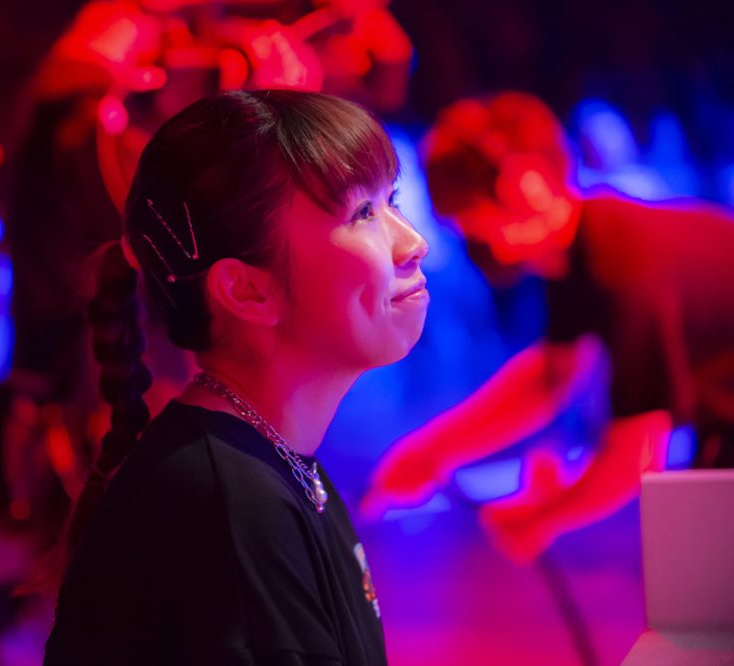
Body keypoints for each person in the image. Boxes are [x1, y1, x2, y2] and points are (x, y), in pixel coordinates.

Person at [43, 89, 429, 664]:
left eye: (390, 199)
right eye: (363, 213)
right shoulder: (229, 510)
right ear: (246, 289)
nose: (414, 243)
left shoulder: (266, 463)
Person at [363, 91, 734, 563]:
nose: (472, 240)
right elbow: (550, 378)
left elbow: (637, 452)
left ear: (526, 186)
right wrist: (431, 452)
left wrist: (539, 519)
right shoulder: (587, 246)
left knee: (702, 574)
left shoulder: (623, 268)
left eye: (472, 221)